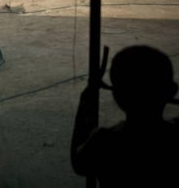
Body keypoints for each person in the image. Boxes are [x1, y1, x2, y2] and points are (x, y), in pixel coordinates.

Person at [71, 45, 179, 187]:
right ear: (171, 91)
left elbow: (78, 163)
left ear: (117, 96)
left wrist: (87, 97)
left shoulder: (104, 142)